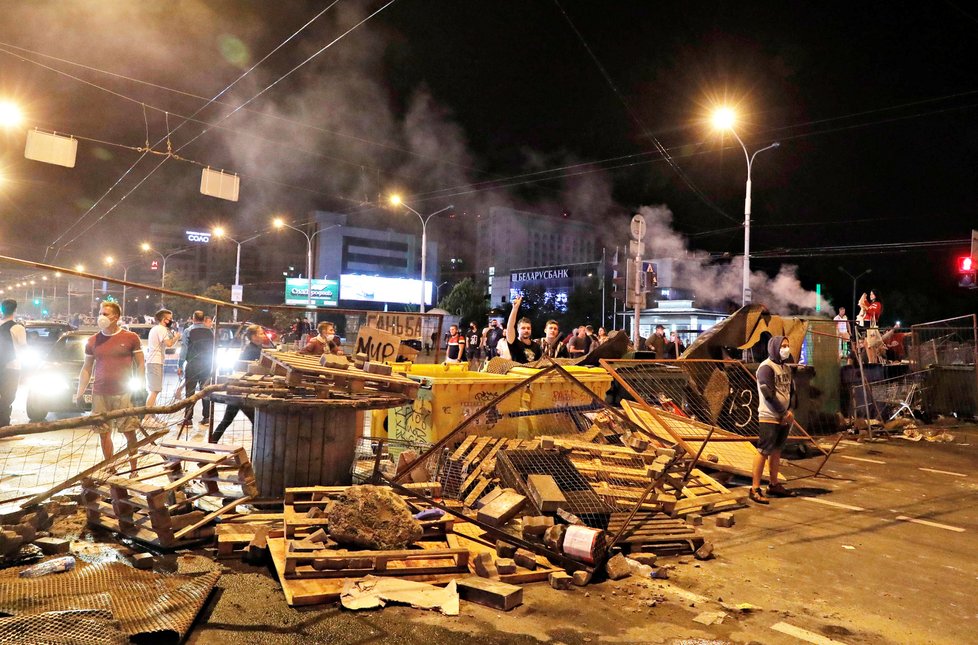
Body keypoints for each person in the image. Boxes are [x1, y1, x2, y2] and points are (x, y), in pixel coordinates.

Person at [74, 301, 144, 470]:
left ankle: (134, 469)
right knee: (104, 433)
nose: (101, 317)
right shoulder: (92, 341)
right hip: (100, 394)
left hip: (124, 393)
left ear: (116, 317)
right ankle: (110, 467)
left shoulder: (131, 338)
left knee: (129, 432)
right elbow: (86, 368)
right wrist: (80, 392)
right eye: (100, 313)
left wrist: (141, 389)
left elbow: (141, 364)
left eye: (105, 314)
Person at [751, 335, 796, 504]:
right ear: (774, 347)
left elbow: (791, 391)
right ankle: (755, 488)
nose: (786, 348)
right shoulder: (766, 368)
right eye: (783, 345)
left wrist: (789, 410)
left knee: (777, 450)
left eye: (787, 345)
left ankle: (773, 484)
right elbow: (768, 393)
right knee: (763, 450)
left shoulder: (786, 368)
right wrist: (782, 412)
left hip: (784, 416)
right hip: (769, 416)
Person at [212, 325, 264, 442]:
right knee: (256, 421)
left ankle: (211, 443)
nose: (263, 335)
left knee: (227, 420)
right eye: (261, 333)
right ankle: (255, 452)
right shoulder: (252, 350)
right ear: (254, 336)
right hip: (241, 391)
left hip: (237, 390)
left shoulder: (254, 348)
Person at [180, 310, 216, 429]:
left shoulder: (188, 331)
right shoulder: (210, 331)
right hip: (207, 364)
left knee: (190, 392)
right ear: (203, 319)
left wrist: (180, 364)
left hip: (193, 363)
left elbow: (184, 348)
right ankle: (206, 418)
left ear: (193, 318)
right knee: (205, 390)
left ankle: (188, 420)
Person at [144, 309, 180, 414]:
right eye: (170, 319)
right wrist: (176, 338)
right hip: (155, 361)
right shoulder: (161, 329)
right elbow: (169, 344)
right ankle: (147, 417)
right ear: (164, 319)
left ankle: (152, 416)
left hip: (154, 361)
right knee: (155, 391)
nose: (171, 321)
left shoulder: (156, 329)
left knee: (154, 390)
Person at [0, 299, 26, 428]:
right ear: (15, 310)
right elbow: (23, 347)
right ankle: (3, 425)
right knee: (8, 396)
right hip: (12, 367)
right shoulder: (17, 328)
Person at [505, 296, 542, 364]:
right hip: (518, 373)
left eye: (528, 328)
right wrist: (515, 308)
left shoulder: (537, 346)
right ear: (518, 330)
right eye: (523, 328)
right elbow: (510, 326)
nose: (526, 330)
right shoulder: (513, 342)